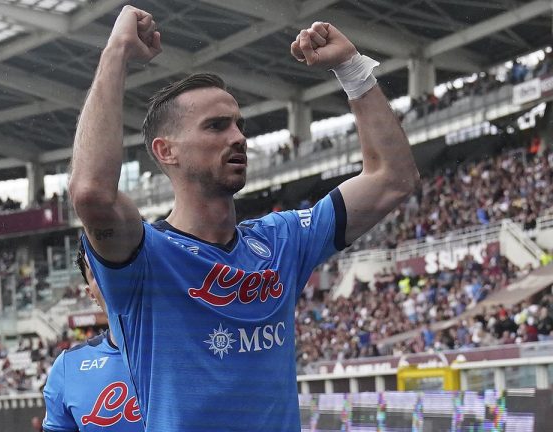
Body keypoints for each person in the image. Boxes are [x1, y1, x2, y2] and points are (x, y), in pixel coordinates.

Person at [69, 6, 418, 431]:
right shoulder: (144, 258)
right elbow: (91, 192)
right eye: (216, 126)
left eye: (239, 124)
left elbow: (394, 178)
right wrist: (116, 53)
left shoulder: (283, 240)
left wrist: (352, 69)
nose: (238, 137)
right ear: (166, 152)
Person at [42, 243, 142, 431]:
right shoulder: (68, 367)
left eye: (120, 263)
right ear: (90, 294)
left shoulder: (192, 352)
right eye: (98, 271)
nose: (111, 275)